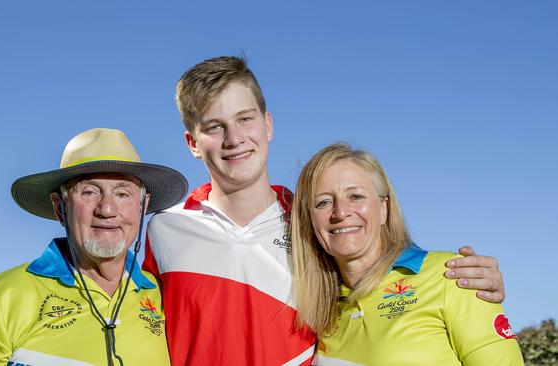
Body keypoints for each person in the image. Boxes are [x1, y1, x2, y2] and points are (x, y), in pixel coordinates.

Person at [142, 55, 507, 365]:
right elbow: (137, 321)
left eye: (244, 119)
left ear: (267, 125)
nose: (234, 138)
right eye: (214, 127)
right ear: (192, 143)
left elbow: (379, 272)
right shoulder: (165, 229)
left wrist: (464, 280)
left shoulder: (312, 224)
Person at [0, 128, 188, 366]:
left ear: (143, 206)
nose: (107, 210)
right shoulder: (0, 298)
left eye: (122, 194)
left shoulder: (167, 298)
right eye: (89, 192)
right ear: (60, 207)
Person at [290, 143, 523, 365]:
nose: (340, 212)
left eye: (356, 196)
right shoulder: (320, 314)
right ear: (309, 220)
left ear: (384, 209)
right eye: (323, 202)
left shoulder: (452, 274)